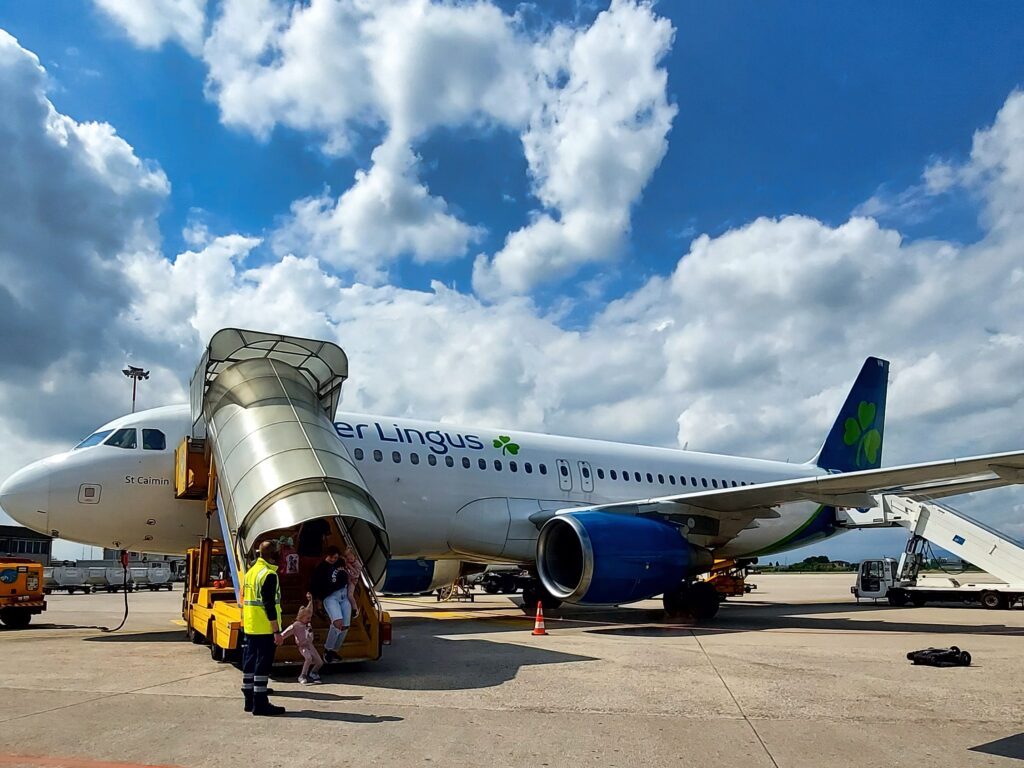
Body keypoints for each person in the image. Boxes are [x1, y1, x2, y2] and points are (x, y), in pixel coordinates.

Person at [241, 540, 286, 716]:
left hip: (251, 626)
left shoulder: (251, 572)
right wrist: (276, 631)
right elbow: (269, 605)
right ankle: (260, 703)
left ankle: (249, 700)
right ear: (274, 555)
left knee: (250, 663)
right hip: (264, 628)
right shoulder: (268, 575)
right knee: (263, 665)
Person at [309, 545, 361, 664]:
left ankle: (334, 650)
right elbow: (315, 585)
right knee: (337, 623)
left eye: (335, 557)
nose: (333, 560)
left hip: (344, 595)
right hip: (331, 596)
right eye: (331, 557)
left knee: (345, 626)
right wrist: (317, 601)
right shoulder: (321, 568)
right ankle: (327, 649)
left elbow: (353, 564)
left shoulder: (341, 562)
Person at [281, 593, 323, 685]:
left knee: (319, 661)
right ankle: (302, 675)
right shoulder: (296, 626)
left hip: (310, 645)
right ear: (302, 617)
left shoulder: (308, 625)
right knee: (308, 658)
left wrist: (310, 601)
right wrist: (280, 637)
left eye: (310, 618)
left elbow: (310, 637)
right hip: (302, 645)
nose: (309, 619)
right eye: (307, 618)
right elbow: (286, 632)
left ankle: (313, 672)